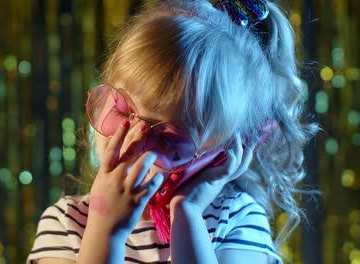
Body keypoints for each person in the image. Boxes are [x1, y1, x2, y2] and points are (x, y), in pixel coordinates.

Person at [28, 0, 318, 263]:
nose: (133, 141)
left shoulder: (237, 220)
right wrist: (105, 232)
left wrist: (188, 213)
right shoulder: (66, 224)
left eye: (167, 137)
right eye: (120, 111)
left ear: (224, 153)